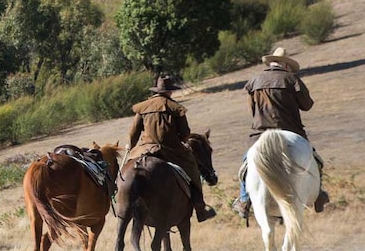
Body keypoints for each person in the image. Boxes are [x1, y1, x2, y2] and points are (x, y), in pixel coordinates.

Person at [232, 46, 329, 220]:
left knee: (247, 163)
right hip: (291, 131)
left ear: (271, 63)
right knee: (316, 161)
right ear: (286, 65)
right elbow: (307, 105)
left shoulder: (254, 81)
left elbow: (252, 109)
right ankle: (319, 195)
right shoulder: (292, 79)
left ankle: (244, 200)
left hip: (260, 134)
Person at [126, 74, 217, 222]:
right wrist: (181, 140)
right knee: (193, 167)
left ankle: (118, 199)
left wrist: (131, 147)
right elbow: (185, 134)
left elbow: (133, 133)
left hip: (145, 148)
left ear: (156, 91)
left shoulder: (142, 107)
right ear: (169, 92)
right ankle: (200, 208)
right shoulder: (176, 108)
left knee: (125, 170)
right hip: (170, 149)